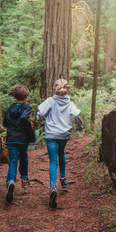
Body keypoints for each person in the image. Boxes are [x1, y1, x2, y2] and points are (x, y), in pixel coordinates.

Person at [37, 79, 83, 208]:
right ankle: (63, 178)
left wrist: (40, 118)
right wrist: (79, 127)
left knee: (53, 161)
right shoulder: (69, 103)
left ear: (54, 89)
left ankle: (53, 187)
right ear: (66, 89)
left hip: (51, 134)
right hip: (64, 134)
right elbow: (77, 114)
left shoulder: (50, 101)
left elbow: (40, 113)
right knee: (61, 152)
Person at [3, 85, 35, 202]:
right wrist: (30, 134)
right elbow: (23, 119)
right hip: (22, 139)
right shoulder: (27, 107)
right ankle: (25, 179)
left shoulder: (10, 107)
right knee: (24, 157)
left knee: (12, 160)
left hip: (11, 138)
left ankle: (10, 181)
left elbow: (5, 122)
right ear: (26, 97)